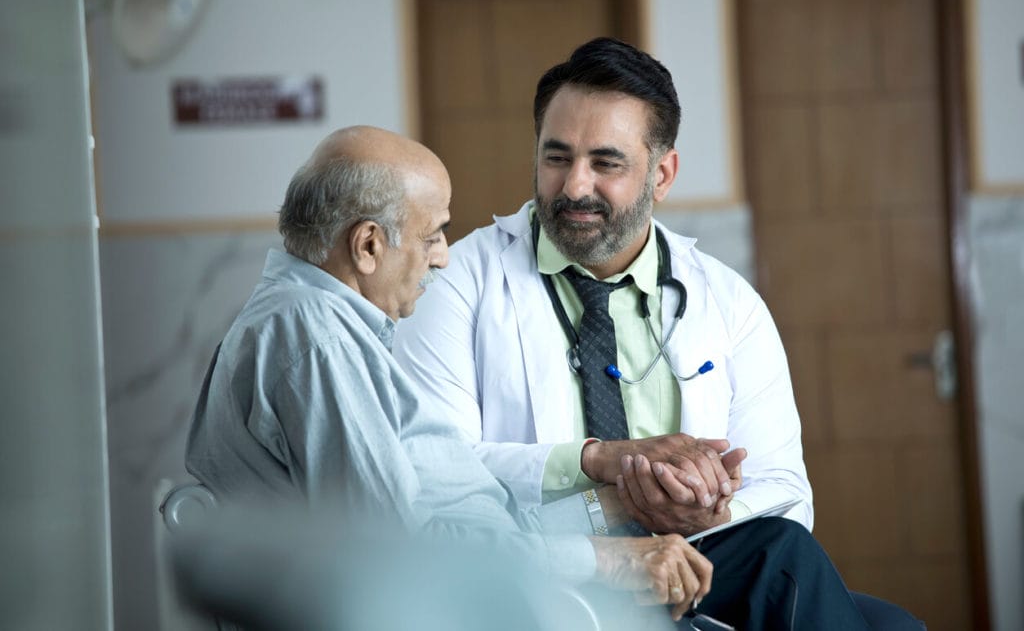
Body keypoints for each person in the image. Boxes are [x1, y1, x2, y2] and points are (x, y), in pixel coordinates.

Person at [393, 38, 923, 630]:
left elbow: (787, 491)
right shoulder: (459, 283)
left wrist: (702, 514)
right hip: (554, 571)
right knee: (794, 571)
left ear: (662, 173)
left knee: (889, 620)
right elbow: (431, 474)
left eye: (606, 162)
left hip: (697, 557)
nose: (573, 187)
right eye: (556, 157)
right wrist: (599, 466)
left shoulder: (729, 302)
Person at [184, 125, 715, 627]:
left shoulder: (317, 323)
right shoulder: (314, 336)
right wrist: (609, 560)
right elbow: (397, 553)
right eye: (434, 235)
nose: (441, 259)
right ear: (368, 246)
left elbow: (469, 525)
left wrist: (621, 505)